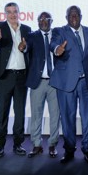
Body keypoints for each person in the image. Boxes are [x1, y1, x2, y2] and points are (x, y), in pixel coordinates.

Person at [50, 6, 88, 163]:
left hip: (87, 82)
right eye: (70, 15)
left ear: (81, 16)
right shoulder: (59, 31)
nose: (74, 17)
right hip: (66, 83)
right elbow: (53, 44)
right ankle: (69, 149)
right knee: (68, 118)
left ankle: (87, 149)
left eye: (76, 15)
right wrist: (57, 50)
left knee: (87, 118)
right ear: (66, 17)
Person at [0, 2, 31, 157]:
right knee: (2, 112)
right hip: (5, 76)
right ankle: (0, 145)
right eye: (9, 12)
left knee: (20, 113)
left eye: (15, 11)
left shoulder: (27, 29)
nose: (12, 14)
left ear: (19, 12)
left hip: (22, 76)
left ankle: (18, 144)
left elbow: (30, 50)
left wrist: (25, 48)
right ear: (5, 14)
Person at [21, 12, 60, 158]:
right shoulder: (32, 36)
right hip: (37, 82)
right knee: (36, 115)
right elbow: (26, 47)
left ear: (51, 21)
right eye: (40, 19)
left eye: (46, 19)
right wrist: (23, 47)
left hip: (55, 83)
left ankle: (52, 144)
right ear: (37, 21)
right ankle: (36, 144)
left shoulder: (57, 35)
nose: (43, 21)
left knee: (55, 115)